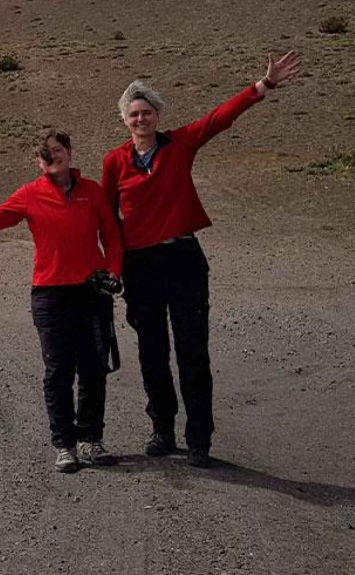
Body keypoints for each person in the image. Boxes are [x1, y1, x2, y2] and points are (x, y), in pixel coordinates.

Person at [101, 51, 302, 468]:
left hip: (183, 260)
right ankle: (161, 430)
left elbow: (219, 118)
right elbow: (106, 219)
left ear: (157, 116)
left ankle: (199, 439)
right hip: (142, 268)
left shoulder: (180, 143)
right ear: (124, 120)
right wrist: (111, 269)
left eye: (147, 112)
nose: (141, 119)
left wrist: (262, 87)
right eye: (133, 114)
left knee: (193, 350)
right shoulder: (114, 162)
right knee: (152, 351)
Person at [0, 129, 124, 474]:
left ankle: (90, 440)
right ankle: (64, 444)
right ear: (37, 161)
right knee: (58, 371)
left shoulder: (91, 192)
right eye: (45, 153)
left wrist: (114, 273)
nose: (52, 157)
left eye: (58, 150)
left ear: (69, 152)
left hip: (92, 293)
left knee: (93, 369)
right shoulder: (30, 194)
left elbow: (111, 236)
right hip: (50, 295)